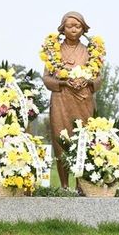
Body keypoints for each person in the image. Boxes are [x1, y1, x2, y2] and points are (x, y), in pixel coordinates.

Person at [42, 11, 102, 189]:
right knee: (61, 141)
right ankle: (64, 185)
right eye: (69, 26)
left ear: (83, 29)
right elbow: (46, 78)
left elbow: (99, 78)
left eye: (77, 26)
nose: (74, 29)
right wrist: (63, 82)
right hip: (61, 99)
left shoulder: (91, 51)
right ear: (62, 28)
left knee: (83, 140)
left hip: (84, 100)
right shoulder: (54, 51)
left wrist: (88, 81)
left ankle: (81, 185)